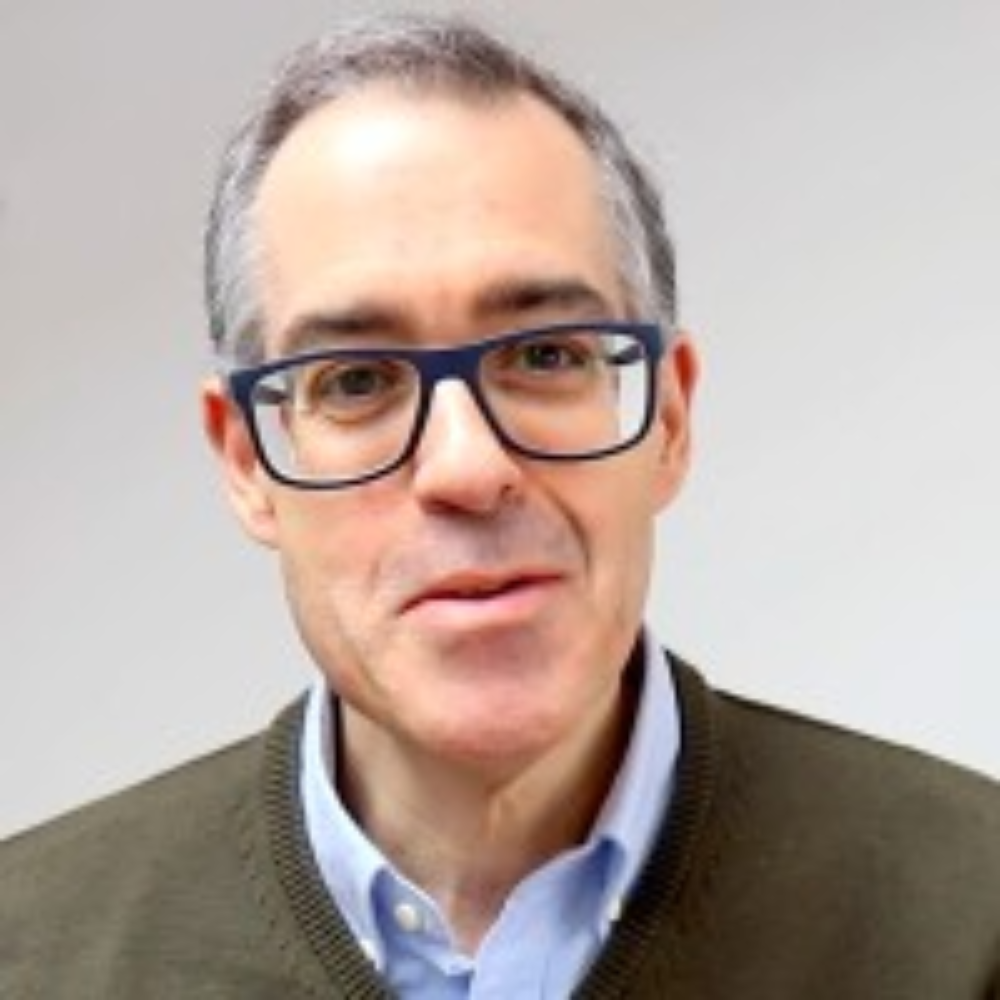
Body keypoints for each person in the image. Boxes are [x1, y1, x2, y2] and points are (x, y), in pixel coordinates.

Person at [1, 13, 998, 998]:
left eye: (546, 356)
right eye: (356, 381)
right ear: (246, 460)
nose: (468, 469)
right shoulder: (35, 954)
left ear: (668, 419)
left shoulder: (972, 919)